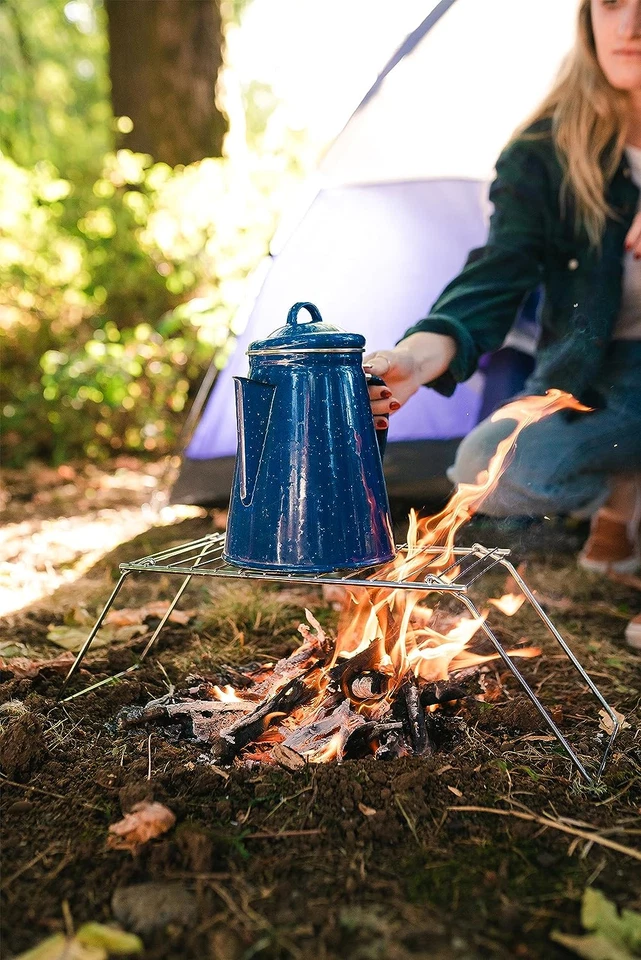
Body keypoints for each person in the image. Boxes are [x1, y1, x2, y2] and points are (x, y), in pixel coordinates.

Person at [365, 0, 641, 650]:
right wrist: (421, 352)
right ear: (586, 17)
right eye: (610, 3)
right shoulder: (546, 150)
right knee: (487, 464)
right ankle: (623, 495)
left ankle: (622, 513)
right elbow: (499, 270)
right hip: (605, 372)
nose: (628, 26)